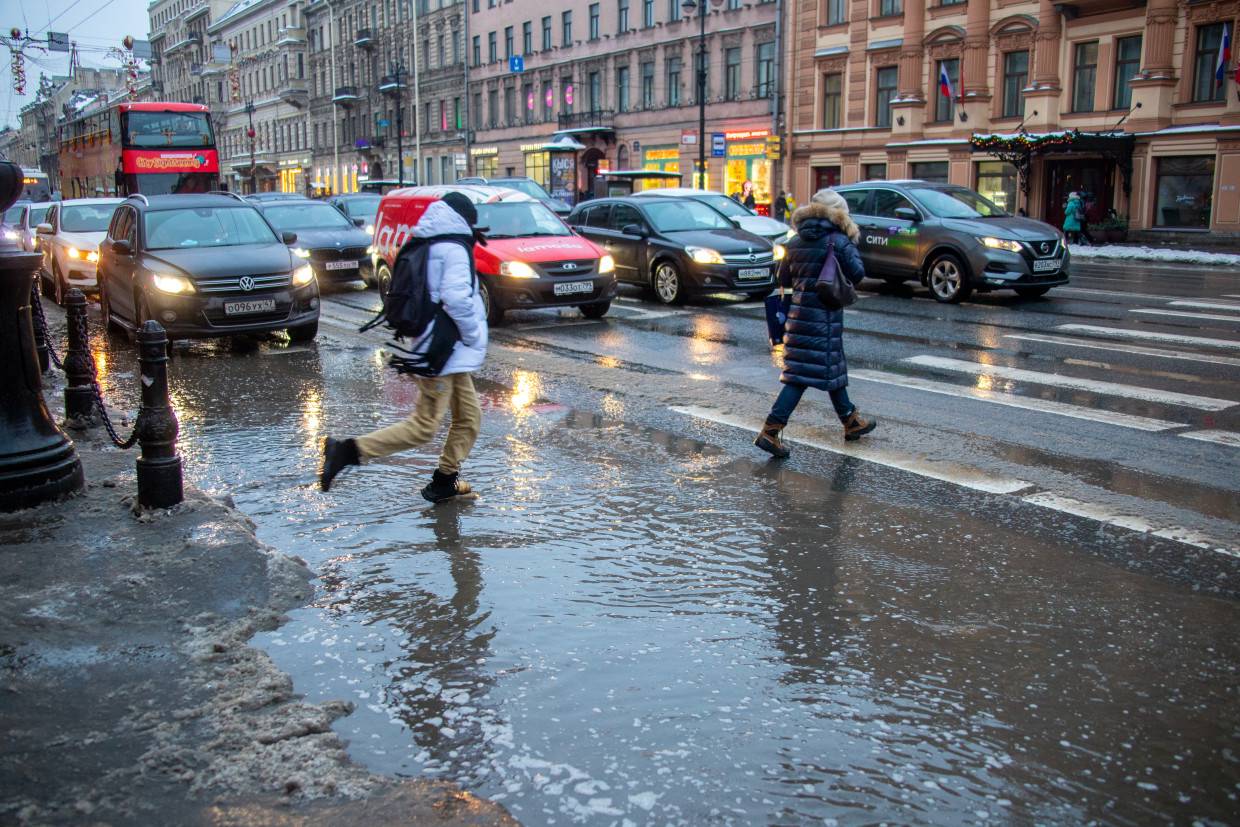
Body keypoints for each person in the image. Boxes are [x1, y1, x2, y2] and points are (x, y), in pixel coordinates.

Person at [320, 192, 488, 503]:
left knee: (469, 417)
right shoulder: (452, 247)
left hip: (447, 350)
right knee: (425, 425)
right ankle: (345, 451)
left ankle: (443, 482)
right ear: (465, 220)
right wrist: (474, 334)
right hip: (441, 350)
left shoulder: (434, 239)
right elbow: (456, 298)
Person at [754, 188, 875, 457]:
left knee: (828, 367)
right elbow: (857, 274)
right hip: (824, 319)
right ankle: (770, 431)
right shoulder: (838, 241)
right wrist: (847, 244)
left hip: (798, 319)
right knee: (799, 378)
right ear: (839, 215)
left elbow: (783, 279)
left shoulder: (795, 242)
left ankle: (850, 421)